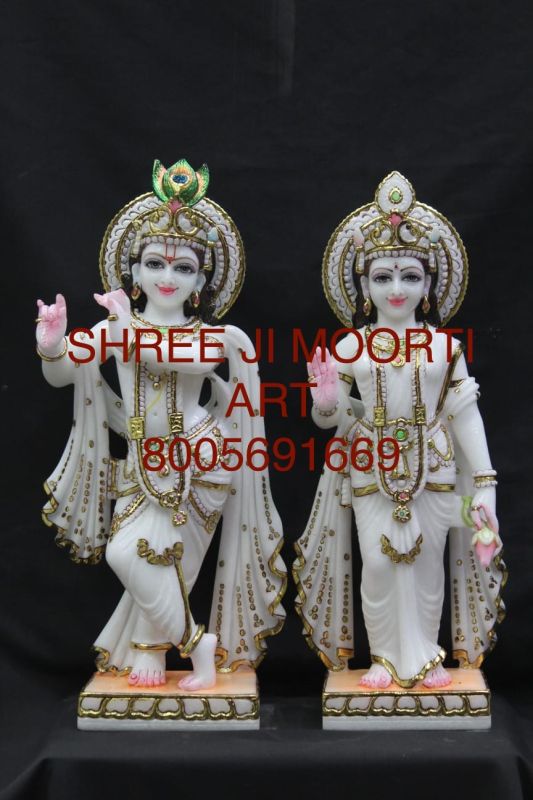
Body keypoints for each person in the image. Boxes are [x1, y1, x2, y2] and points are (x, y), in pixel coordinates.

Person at [36, 159, 286, 690]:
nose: (167, 278)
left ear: (200, 281)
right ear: (134, 272)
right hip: (142, 464)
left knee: (169, 559)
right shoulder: (118, 327)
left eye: (183, 268)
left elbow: (182, 360)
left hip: (200, 457)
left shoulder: (211, 338)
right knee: (133, 556)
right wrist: (52, 345)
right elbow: (63, 374)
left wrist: (123, 330)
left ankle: (156, 649)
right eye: (155, 264)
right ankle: (195, 644)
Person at [294, 172, 505, 689]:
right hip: (371, 465)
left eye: (409, 277)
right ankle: (385, 658)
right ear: (364, 286)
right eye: (382, 277)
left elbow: (464, 412)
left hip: (434, 466)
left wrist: (484, 482)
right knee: (379, 564)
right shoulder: (350, 347)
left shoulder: (444, 347)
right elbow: (331, 420)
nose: (396, 289)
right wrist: (326, 401)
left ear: (428, 286)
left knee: (428, 564)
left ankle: (427, 655)